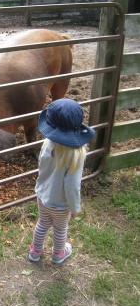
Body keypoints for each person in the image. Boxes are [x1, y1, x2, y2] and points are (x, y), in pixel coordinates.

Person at [29, 98, 95, 264]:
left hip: (42, 196)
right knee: (60, 228)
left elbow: (42, 168)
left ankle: (35, 252)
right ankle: (59, 254)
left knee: (42, 223)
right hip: (60, 204)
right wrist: (74, 208)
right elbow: (72, 186)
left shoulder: (47, 143)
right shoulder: (76, 155)